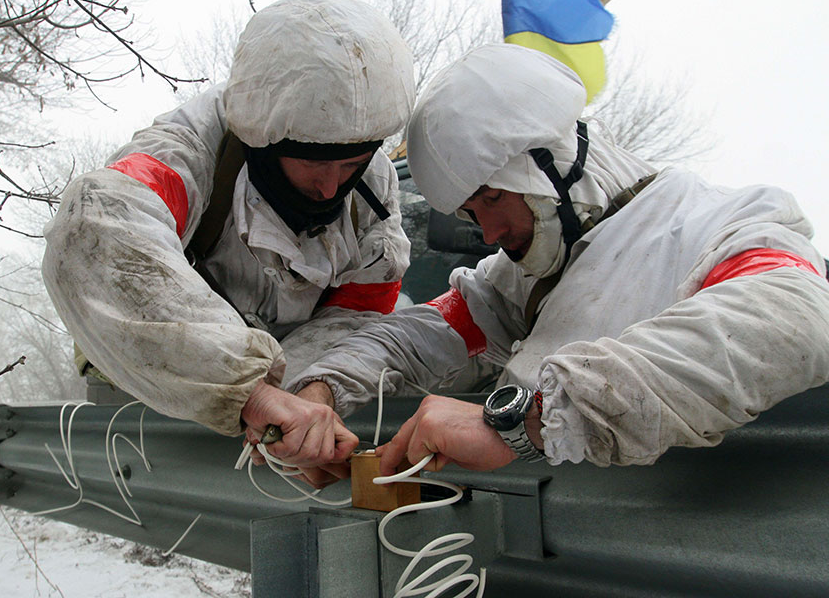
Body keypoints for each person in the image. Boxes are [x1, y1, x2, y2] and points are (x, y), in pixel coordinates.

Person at [290, 44, 829, 480]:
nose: (490, 234)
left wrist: (527, 418)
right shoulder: (521, 281)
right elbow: (412, 339)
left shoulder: (715, 225)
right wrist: (323, 387)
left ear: (552, 165)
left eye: (493, 199)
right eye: (472, 214)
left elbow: (794, 318)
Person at [42, 0, 415, 471]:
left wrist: (311, 391)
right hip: (151, 390)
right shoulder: (192, 149)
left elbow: (361, 314)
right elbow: (92, 228)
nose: (330, 188)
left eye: (351, 165)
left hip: (274, 399)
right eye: (313, 164)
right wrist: (250, 391)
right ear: (263, 140)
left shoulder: (373, 187)